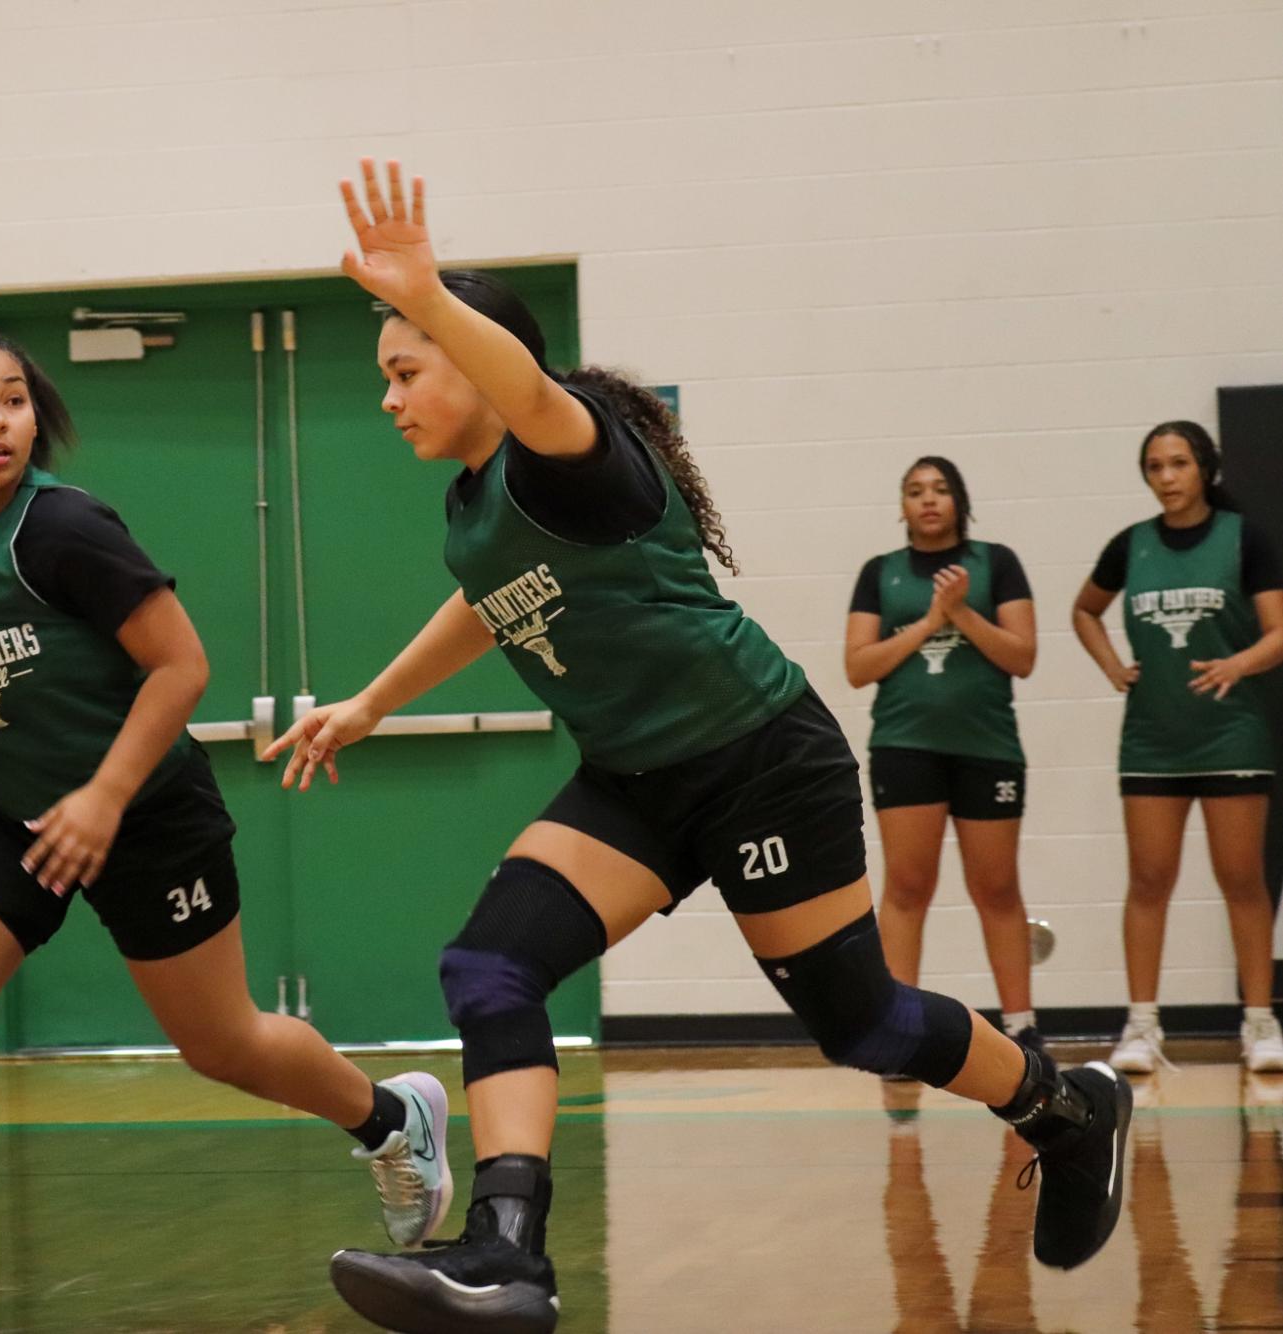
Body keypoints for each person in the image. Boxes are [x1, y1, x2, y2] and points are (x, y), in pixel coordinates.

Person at [267, 160, 1131, 1334]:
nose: (390, 397)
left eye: (406, 367)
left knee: (861, 1022)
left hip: (760, 755)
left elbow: (525, 388)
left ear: (471, 357)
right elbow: (490, 599)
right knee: (491, 967)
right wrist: (372, 701)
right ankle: (510, 1255)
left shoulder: (574, 447)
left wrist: (427, 291)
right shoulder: (475, 501)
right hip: (636, 780)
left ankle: (1064, 1110)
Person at [0, 327, 449, 1318]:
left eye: (12, 397)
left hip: (145, 815)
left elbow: (181, 665)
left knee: (221, 1044)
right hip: (7, 813)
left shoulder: (65, 530)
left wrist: (102, 795)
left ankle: (393, 1117)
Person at [1072, 420, 1283, 1075]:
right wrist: (1111, 665)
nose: (1165, 478)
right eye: (1154, 467)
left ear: (1204, 470)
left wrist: (1237, 665)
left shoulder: (1243, 539)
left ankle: (1257, 1022)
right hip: (1151, 741)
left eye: (1178, 465)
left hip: (1230, 734)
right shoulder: (1128, 545)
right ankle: (1140, 1027)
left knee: (1241, 880)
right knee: (1148, 881)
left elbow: (1278, 631)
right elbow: (1083, 610)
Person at [845, 457, 1043, 1054]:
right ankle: (898, 1030)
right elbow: (858, 667)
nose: (928, 500)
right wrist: (931, 621)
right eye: (914, 491)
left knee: (998, 889)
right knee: (906, 888)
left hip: (988, 748)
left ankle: (1021, 1025)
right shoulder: (881, 573)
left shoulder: (996, 563)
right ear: (902, 506)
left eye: (940, 490)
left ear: (960, 499)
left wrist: (960, 614)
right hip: (905, 748)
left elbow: (1022, 656)